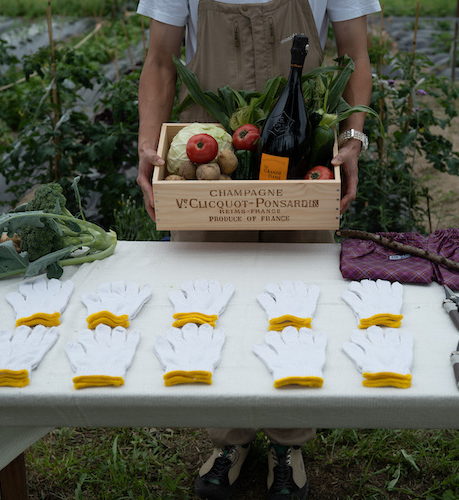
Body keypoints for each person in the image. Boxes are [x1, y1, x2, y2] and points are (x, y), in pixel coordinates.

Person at [135, 1, 380, 498]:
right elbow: (161, 60)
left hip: (303, 150)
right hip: (212, 152)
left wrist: (352, 139)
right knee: (211, 300)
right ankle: (230, 439)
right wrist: (149, 146)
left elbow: (355, 55)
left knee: (294, 303)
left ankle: (287, 441)